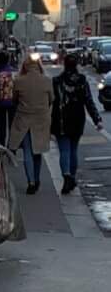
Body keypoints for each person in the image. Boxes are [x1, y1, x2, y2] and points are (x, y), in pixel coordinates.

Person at [50, 48, 104, 193]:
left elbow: (50, 103)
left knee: (64, 150)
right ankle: (71, 176)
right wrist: (96, 119)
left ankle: (67, 176)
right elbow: (88, 101)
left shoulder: (57, 81)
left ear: (64, 65)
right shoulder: (81, 81)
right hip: (77, 119)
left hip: (60, 119)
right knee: (73, 149)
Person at [9, 52, 53, 191]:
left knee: (28, 150)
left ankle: (31, 182)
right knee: (37, 151)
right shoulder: (46, 80)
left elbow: (14, 100)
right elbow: (51, 99)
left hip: (24, 119)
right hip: (40, 119)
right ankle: (37, 178)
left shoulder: (19, 81)